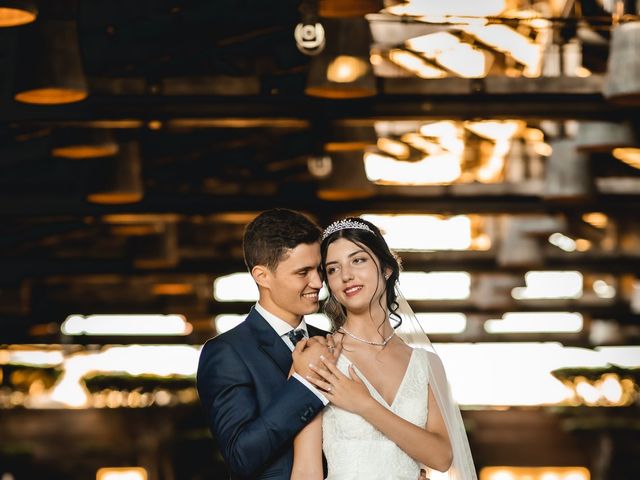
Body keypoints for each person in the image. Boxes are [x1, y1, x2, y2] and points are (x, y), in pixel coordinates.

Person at [291, 217, 477, 480]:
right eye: (333, 269)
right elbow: (305, 471)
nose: (346, 275)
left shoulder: (425, 364)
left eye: (358, 260)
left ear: (386, 268)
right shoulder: (319, 357)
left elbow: (441, 456)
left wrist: (364, 405)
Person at [197, 209, 338, 480]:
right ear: (262, 276)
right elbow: (241, 456)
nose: (319, 282)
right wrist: (306, 384)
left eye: (319, 269)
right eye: (303, 272)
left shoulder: (333, 341)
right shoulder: (227, 353)